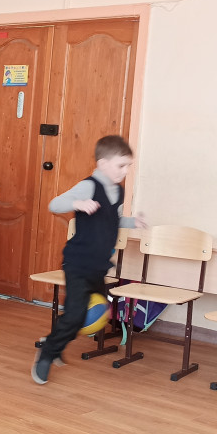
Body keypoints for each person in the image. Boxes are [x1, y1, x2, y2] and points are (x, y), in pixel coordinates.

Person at [33, 135, 145, 384]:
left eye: (128, 166)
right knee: (75, 315)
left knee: (84, 313)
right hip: (78, 264)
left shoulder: (118, 190)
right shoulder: (89, 186)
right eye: (121, 165)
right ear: (103, 163)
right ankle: (47, 353)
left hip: (98, 266)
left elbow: (112, 219)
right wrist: (78, 203)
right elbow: (54, 204)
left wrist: (132, 222)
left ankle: (54, 342)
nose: (125, 171)